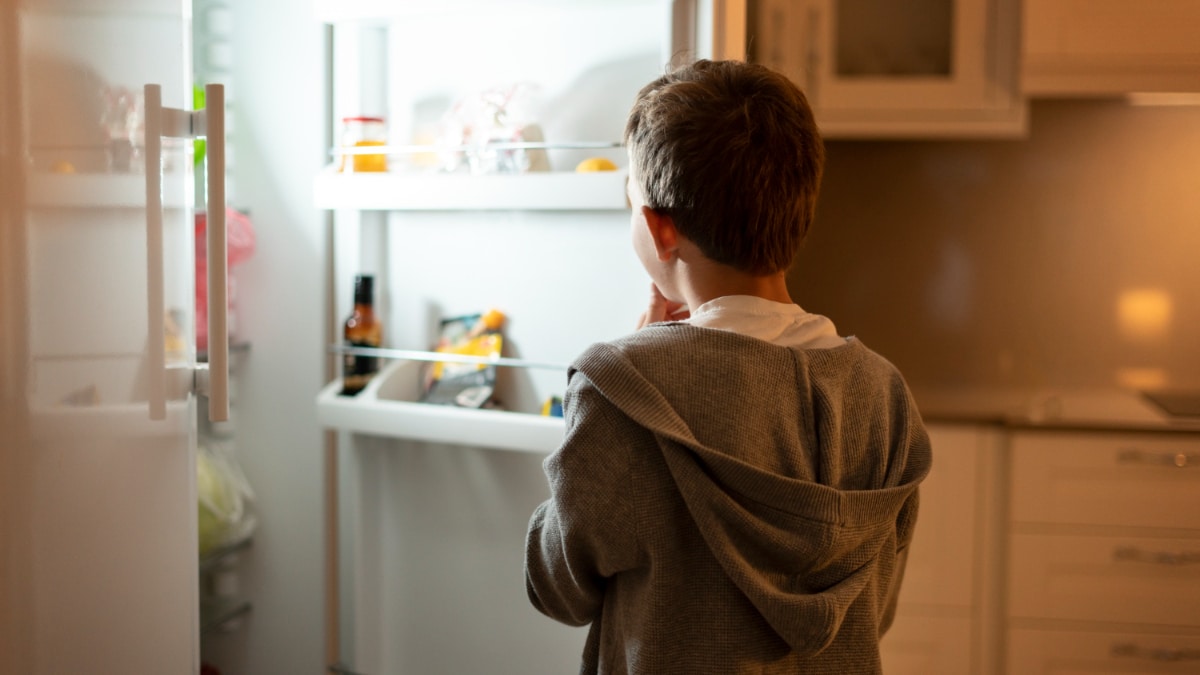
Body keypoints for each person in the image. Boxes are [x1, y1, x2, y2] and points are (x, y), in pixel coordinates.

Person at [524, 59, 932, 674]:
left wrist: (631, 364)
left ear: (660, 229)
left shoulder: (618, 391)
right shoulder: (883, 392)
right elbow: (874, 610)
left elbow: (558, 586)